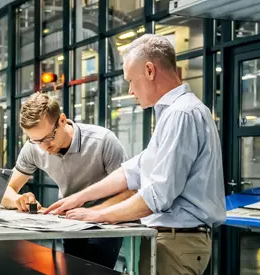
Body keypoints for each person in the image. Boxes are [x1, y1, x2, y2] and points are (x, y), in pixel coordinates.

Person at [45, 34, 226, 275]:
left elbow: (158, 195)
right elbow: (133, 171)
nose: (130, 90)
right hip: (169, 242)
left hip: (176, 243)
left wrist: (96, 215)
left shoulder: (181, 114)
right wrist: (78, 198)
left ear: (150, 70)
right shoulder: (172, 114)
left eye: (131, 80)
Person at [1, 92, 134, 268]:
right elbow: (5, 189)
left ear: (62, 120)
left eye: (48, 138)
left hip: (105, 222)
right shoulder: (34, 147)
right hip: (70, 222)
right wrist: (18, 200)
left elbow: (130, 191)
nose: (44, 147)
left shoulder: (102, 141)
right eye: (36, 141)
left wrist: (94, 213)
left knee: (95, 269)